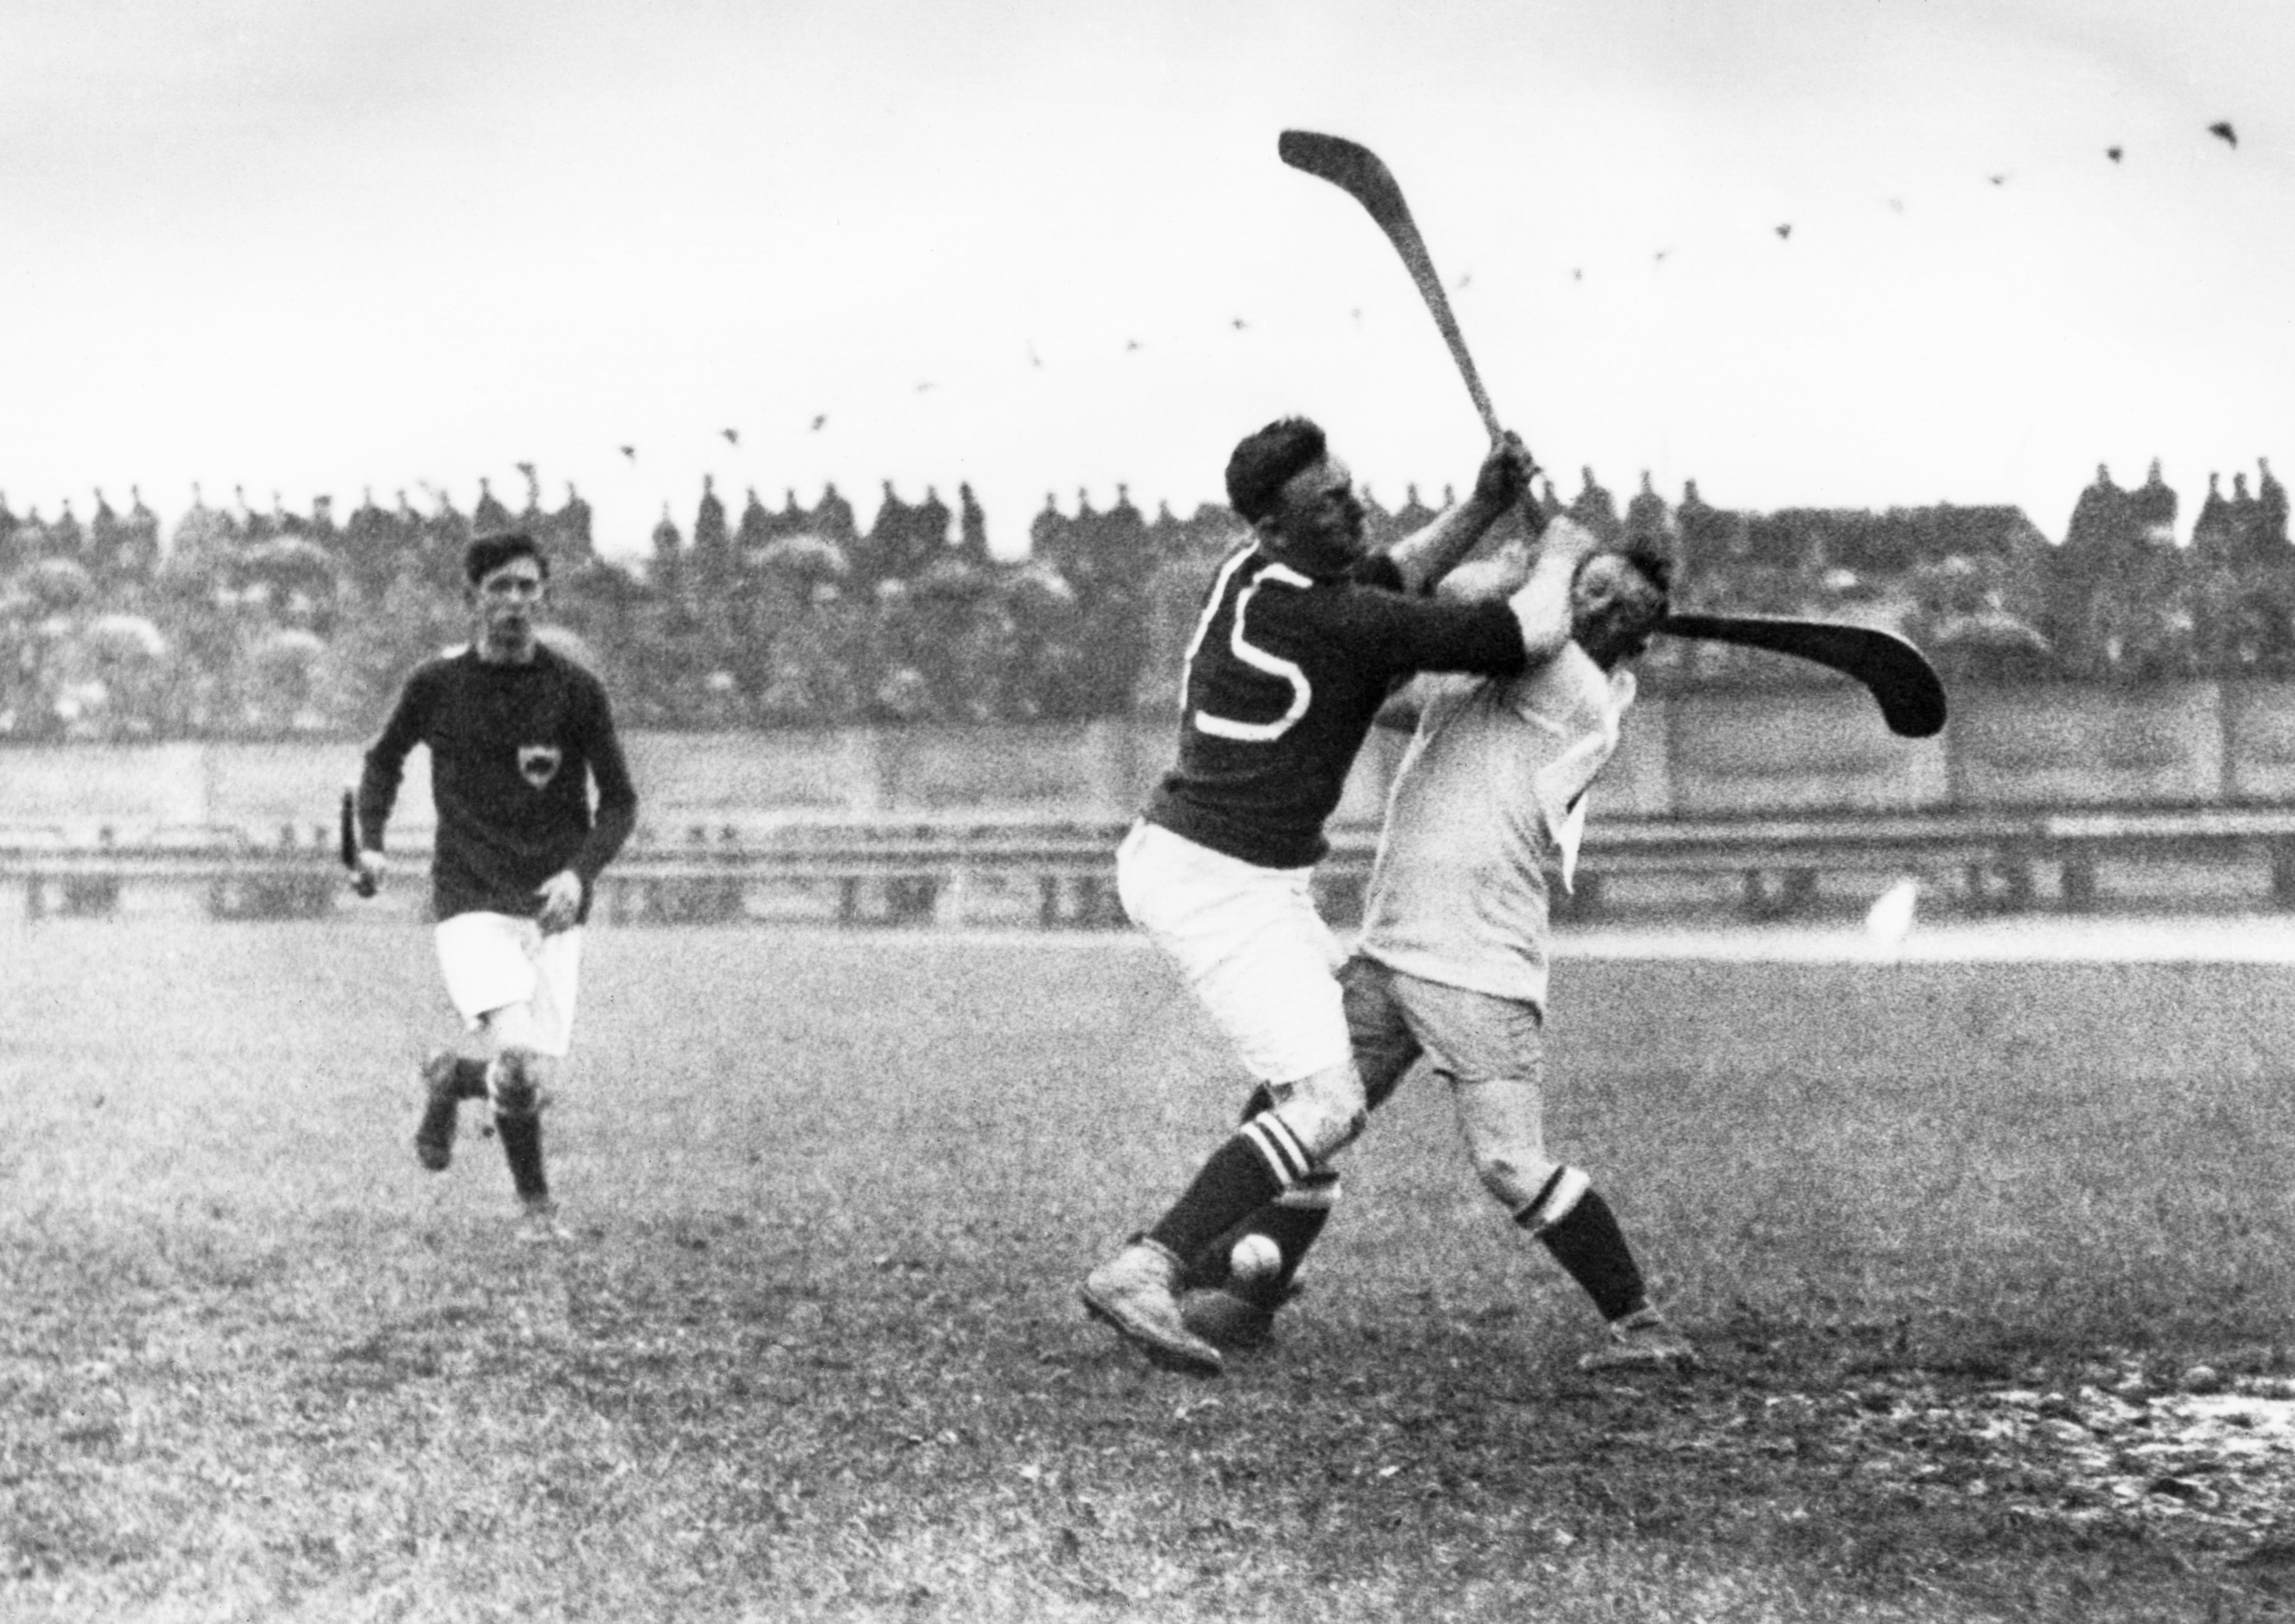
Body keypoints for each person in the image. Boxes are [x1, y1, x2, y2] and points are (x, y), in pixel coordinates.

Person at [1171, 515, 1698, 1372]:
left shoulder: (1572, 685)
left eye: (1614, 603)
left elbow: (1468, 597)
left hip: (1479, 967)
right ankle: (1253, 1290)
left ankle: (1643, 1325)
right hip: (1393, 950)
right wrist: (1535, 562)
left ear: (1630, 640)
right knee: (1295, 1105)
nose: (1592, 604)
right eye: (1590, 587)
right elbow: (1402, 685)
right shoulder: (1498, 680)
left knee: (1509, 1162)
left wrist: (1549, 556)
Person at [1080, 414, 1551, 1374]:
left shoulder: (1263, 580)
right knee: (1328, 1100)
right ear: (1273, 527)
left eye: (1348, 491)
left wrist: (1485, 505)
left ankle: (1226, 1256)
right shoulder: (1331, 620)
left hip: (1241, 874)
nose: (1356, 510)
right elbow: (1506, 638)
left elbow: (1391, 575)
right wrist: (1575, 567)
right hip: (1215, 885)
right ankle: (1151, 1263)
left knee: (1318, 1086)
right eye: (1329, 506)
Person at [351, 531, 639, 1243]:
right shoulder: (437, 684)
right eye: (498, 588)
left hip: (549, 906)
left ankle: (451, 1078)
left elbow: (621, 801)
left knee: (524, 1079)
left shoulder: (574, 689)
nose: (513, 600)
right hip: (469, 898)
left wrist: (580, 871)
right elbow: (383, 759)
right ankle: (537, 1210)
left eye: (525, 586)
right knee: (515, 1058)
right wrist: (373, 840)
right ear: (472, 598)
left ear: (544, 593)